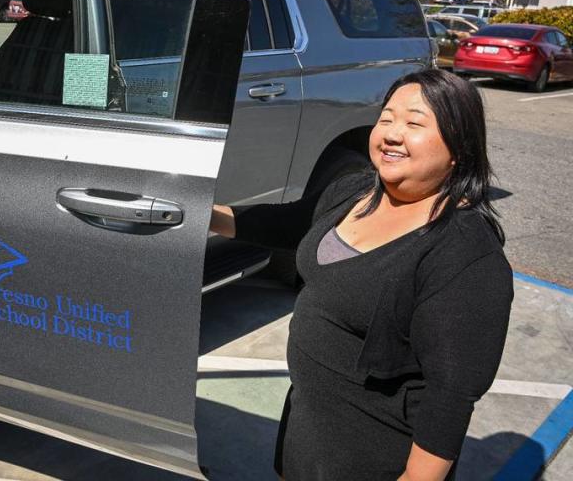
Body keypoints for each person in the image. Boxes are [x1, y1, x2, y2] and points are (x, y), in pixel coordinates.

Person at [210, 69, 513, 481]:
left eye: (414, 122)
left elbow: (450, 393)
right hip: (308, 425)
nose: (391, 133)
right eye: (386, 118)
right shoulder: (355, 191)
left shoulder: (465, 252)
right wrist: (203, 216)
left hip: (371, 453)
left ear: (458, 147)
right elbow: (287, 223)